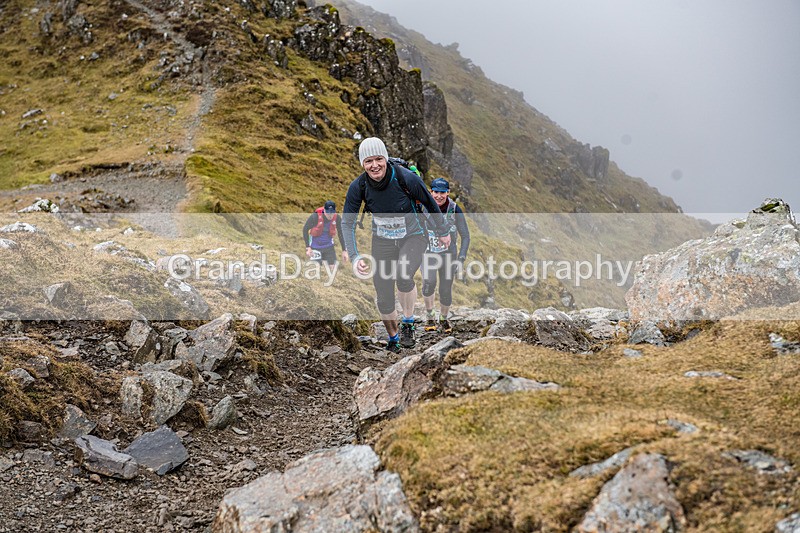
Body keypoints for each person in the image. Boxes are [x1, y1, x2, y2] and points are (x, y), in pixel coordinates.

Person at [341, 137, 451, 352]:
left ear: (386, 158)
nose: (375, 165)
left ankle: (408, 323)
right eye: (369, 161)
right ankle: (393, 339)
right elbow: (347, 222)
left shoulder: (406, 179)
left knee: (403, 274)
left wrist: (444, 232)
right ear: (362, 164)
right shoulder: (359, 186)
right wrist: (354, 257)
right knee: (382, 292)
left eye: (379, 159)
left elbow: (430, 204)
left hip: (414, 235)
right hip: (382, 239)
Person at [421, 178, 470, 333]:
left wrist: (461, 258)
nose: (439, 196)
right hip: (428, 253)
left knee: (445, 289)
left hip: (449, 255)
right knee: (429, 283)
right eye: (436, 192)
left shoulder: (455, 209)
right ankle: (430, 315)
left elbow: (466, 236)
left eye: (442, 192)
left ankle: (443, 318)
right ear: (431, 192)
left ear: (448, 192)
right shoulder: (423, 207)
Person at [302, 200, 348, 266]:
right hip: (315, 246)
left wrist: (344, 250)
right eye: (328, 213)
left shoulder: (337, 218)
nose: (330, 215)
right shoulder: (315, 217)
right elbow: (305, 229)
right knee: (316, 269)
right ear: (324, 211)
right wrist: (308, 247)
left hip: (328, 246)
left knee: (332, 269)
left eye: (332, 213)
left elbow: (341, 234)